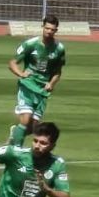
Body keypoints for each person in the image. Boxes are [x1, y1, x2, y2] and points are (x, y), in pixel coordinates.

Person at [8, 16, 66, 146]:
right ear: (42, 27)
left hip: (42, 90)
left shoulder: (59, 49)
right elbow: (12, 63)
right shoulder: (30, 44)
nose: (49, 31)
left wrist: (51, 83)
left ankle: (13, 136)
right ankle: (17, 150)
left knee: (32, 128)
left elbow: (58, 71)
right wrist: (21, 74)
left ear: (56, 30)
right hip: (27, 85)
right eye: (47, 28)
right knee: (25, 120)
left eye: (52, 29)